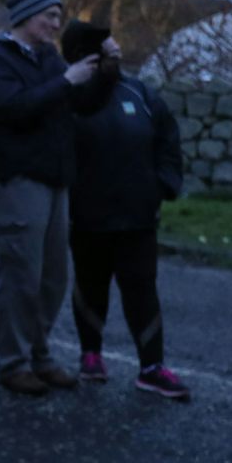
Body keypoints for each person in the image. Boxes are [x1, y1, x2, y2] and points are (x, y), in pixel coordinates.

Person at [0, 0, 102, 396]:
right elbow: (15, 108)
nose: (55, 24)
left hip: (56, 179)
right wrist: (67, 81)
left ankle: (40, 357)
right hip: (20, 179)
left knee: (52, 278)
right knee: (21, 276)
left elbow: (79, 105)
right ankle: (13, 363)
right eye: (49, 16)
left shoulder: (49, 58)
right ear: (27, 16)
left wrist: (104, 69)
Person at [62, 21, 191, 401]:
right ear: (89, 56)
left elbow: (169, 138)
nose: (116, 56)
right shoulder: (68, 94)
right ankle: (91, 356)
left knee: (142, 289)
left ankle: (151, 367)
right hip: (87, 216)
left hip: (137, 215)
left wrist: (164, 183)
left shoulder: (140, 92)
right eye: (109, 52)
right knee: (90, 286)